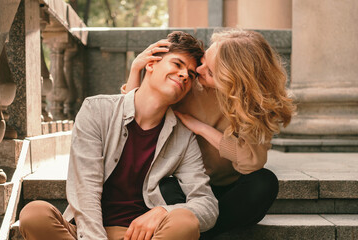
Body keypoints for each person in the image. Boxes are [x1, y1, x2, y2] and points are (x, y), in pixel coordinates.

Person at [19, 31, 218, 240]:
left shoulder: (183, 137)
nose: (185, 75)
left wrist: (164, 212)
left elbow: (207, 204)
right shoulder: (96, 110)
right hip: (86, 233)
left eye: (191, 74)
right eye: (177, 64)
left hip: (140, 236)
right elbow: (85, 190)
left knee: (184, 222)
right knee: (35, 214)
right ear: (150, 64)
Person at [122, 29, 296, 239]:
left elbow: (250, 163)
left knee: (264, 183)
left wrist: (201, 128)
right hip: (185, 187)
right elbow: (135, 111)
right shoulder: (190, 82)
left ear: (233, 81)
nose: (198, 70)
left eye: (211, 72)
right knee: (163, 185)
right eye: (203, 61)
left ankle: (199, 232)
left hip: (225, 190)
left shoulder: (255, 106)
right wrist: (136, 69)